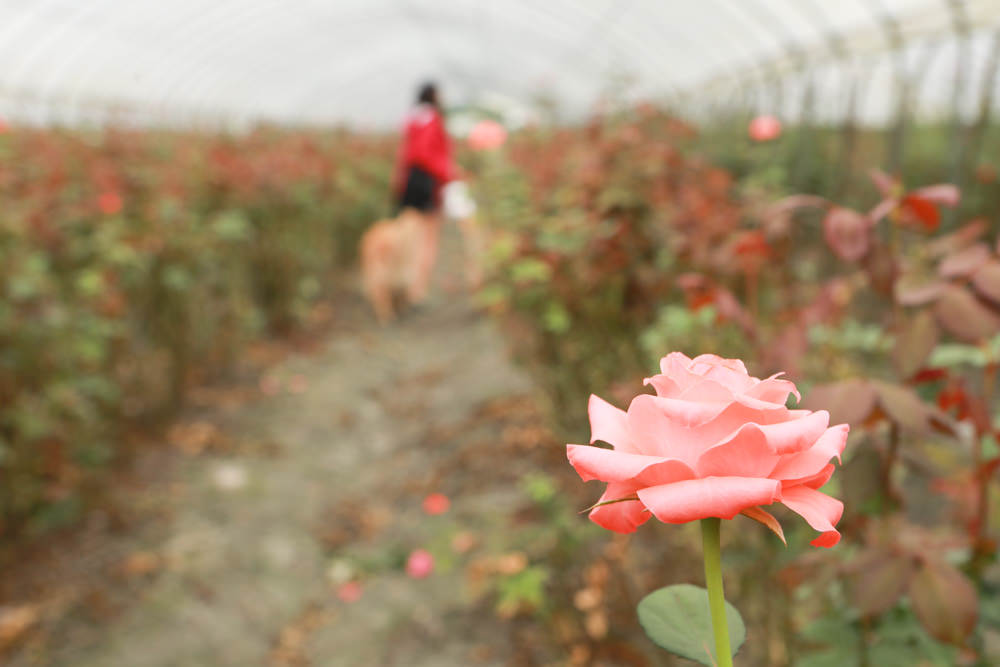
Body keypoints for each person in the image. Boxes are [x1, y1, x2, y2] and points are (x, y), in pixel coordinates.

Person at [392, 82, 456, 304]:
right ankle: (417, 290)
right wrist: (448, 174)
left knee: (410, 234)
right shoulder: (433, 120)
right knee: (427, 238)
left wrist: (400, 182)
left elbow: (406, 153)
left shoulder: (412, 118)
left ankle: (406, 284)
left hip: (410, 180)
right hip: (428, 181)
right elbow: (428, 154)